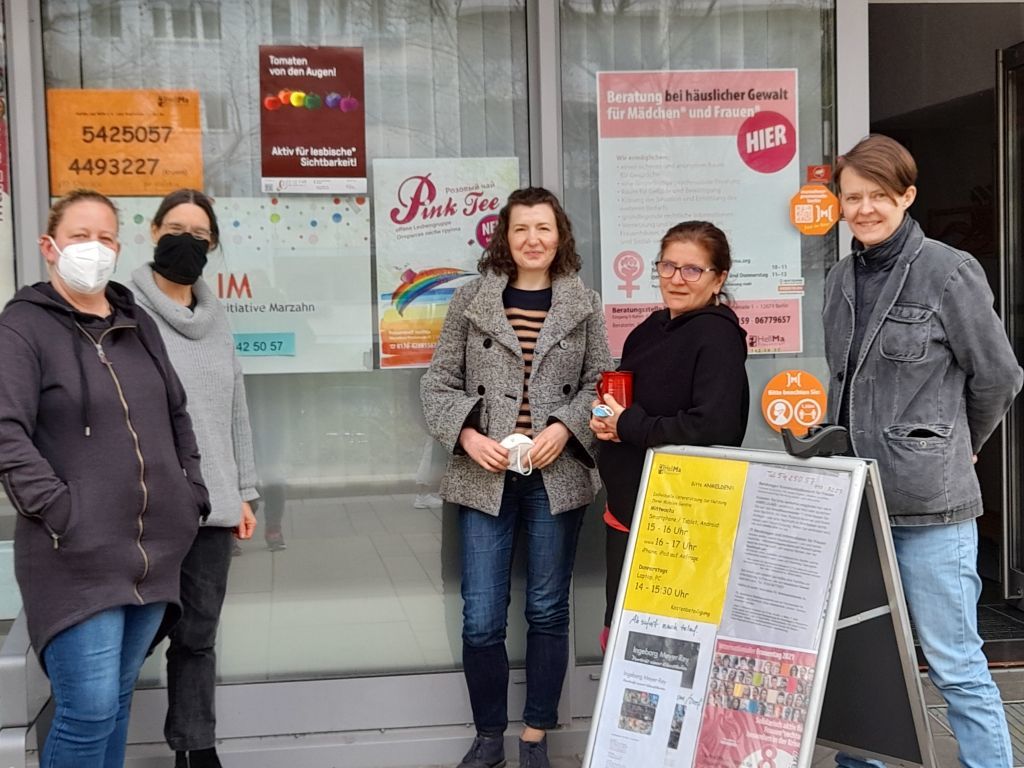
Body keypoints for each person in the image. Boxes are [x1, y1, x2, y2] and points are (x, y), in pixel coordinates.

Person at [823, 134, 1022, 768]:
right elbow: (845, 382)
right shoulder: (838, 276)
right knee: (863, 667)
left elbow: (998, 375)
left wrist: (961, 445)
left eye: (878, 196)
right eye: (852, 197)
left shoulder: (950, 270)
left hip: (930, 506)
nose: (864, 209)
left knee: (956, 666)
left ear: (906, 196)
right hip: (856, 506)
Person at [0, 189, 210, 767]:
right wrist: (63, 512)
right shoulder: (23, 328)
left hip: (152, 552)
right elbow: (6, 434)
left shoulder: (135, 321)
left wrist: (189, 494)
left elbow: (177, 414)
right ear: (49, 246)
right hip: (75, 558)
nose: (93, 248)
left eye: (106, 237)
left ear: (119, 247)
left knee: (115, 702)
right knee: (87, 710)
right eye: (79, 236)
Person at [421, 187, 611, 768]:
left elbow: (600, 384)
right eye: (522, 228)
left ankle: (534, 736)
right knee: (481, 614)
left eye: (544, 229)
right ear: (504, 236)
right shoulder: (471, 301)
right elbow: (437, 384)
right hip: (486, 474)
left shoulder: (583, 302)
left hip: (554, 476)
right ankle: (487, 737)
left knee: (549, 609)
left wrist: (564, 426)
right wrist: (469, 437)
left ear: (561, 238)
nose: (533, 239)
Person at [125, 189, 259, 768]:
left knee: (197, 637)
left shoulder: (217, 314)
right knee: (132, 633)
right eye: (175, 228)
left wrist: (245, 491)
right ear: (153, 233)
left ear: (213, 247)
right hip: (145, 506)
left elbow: (234, 406)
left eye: (200, 234)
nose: (186, 240)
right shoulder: (122, 307)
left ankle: (196, 750)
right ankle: (87, 722)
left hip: (214, 505)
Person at [590, 221, 749, 646]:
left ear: (719, 278)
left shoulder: (717, 337)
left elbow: (713, 428)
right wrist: (606, 416)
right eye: (668, 266)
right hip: (630, 512)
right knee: (621, 636)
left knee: (666, 644)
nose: (677, 279)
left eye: (692, 270)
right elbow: (636, 404)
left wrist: (627, 424)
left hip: (680, 520)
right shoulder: (652, 328)